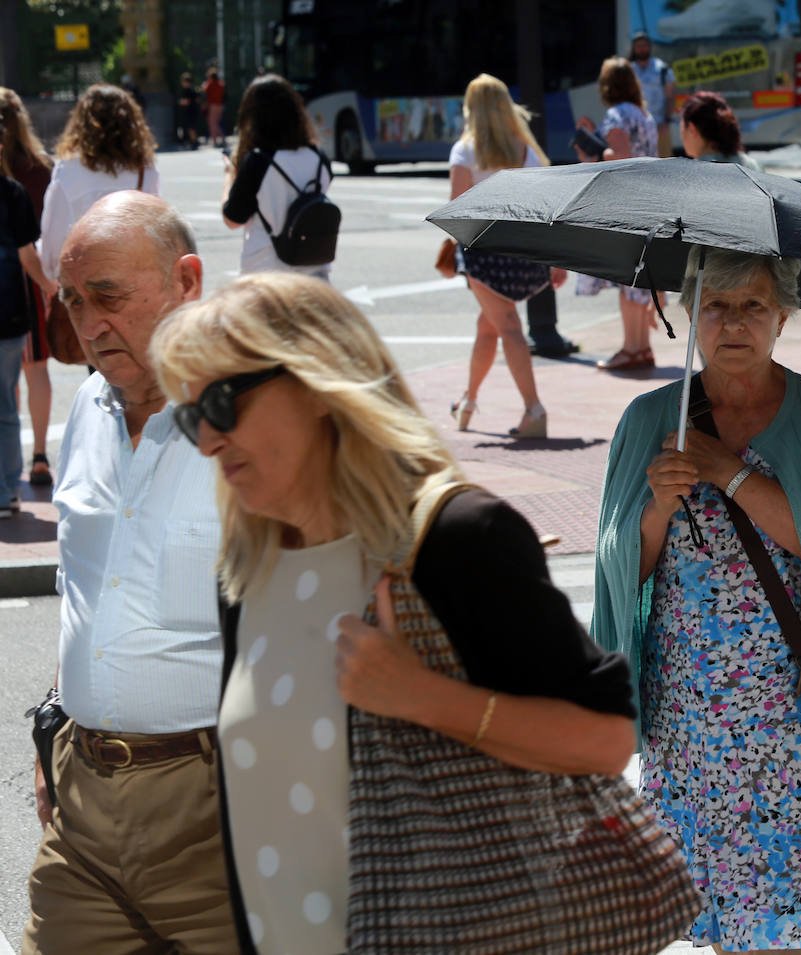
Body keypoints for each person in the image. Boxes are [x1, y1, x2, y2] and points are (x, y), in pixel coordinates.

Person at [150, 271, 638, 953]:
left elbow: (608, 739)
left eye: (224, 403)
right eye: (191, 415)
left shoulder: (456, 539)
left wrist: (424, 697)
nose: (207, 440)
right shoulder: (246, 570)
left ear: (319, 381)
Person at [592, 248, 801, 953]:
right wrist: (658, 504)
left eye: (752, 306)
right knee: (718, 913)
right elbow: (624, 564)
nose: (733, 323)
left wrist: (727, 472)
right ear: (689, 313)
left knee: (783, 920)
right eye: (715, 305)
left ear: (783, 316)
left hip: (797, 715)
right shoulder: (651, 417)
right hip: (689, 720)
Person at [22, 191, 236, 953]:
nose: (87, 323)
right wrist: (60, 716)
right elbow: (83, 585)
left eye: (109, 295)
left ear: (187, 280)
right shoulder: (86, 410)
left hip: (217, 809)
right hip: (82, 802)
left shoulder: (258, 421)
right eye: (73, 301)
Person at [443, 74, 565, 440]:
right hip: (523, 253)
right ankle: (468, 401)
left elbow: (456, 210)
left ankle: (534, 408)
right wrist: (555, 260)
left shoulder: (465, 152)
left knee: (507, 325)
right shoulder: (526, 151)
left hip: (483, 253)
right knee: (489, 326)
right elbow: (547, 207)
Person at [574, 56, 659, 372]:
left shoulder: (617, 115)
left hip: (625, 200)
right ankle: (643, 348)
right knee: (639, 277)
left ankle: (630, 348)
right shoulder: (643, 114)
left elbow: (619, 154)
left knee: (628, 280)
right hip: (647, 198)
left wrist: (593, 151)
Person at [39, 84, 160, 288]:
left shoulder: (67, 171)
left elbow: (53, 242)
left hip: (83, 285)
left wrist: (51, 273)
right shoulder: (145, 171)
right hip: (131, 285)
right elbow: (156, 232)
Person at [221, 73, 334, 279]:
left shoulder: (259, 162)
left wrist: (230, 175)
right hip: (314, 273)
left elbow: (232, 219)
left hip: (267, 274)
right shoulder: (320, 158)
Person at [0, 88, 56, 489]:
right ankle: (39, 454)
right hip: (31, 280)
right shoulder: (40, 167)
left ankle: (8, 465)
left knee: (6, 382)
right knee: (36, 371)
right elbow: (47, 234)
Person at [680, 91, 761, 170]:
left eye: (682, 129)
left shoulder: (689, 175)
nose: (682, 136)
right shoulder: (751, 165)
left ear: (692, 129)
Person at [630, 31, 677, 158]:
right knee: (638, 167)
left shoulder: (661, 68)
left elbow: (670, 97)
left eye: (644, 45)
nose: (641, 49)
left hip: (659, 125)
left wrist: (666, 120)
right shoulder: (629, 70)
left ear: (650, 47)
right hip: (636, 128)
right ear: (634, 49)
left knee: (664, 165)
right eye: (638, 46)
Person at [202, 67, 227, 148]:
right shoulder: (221, 84)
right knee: (217, 123)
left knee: (212, 124)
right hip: (220, 105)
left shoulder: (210, 84)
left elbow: (204, 90)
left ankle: (215, 141)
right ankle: (223, 139)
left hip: (213, 105)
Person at [177, 72, 201, 148]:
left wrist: (180, 102)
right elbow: (198, 100)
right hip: (194, 110)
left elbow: (187, 101)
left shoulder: (187, 90)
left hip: (189, 111)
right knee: (193, 127)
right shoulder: (194, 89)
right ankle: (195, 141)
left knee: (191, 128)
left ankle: (194, 142)